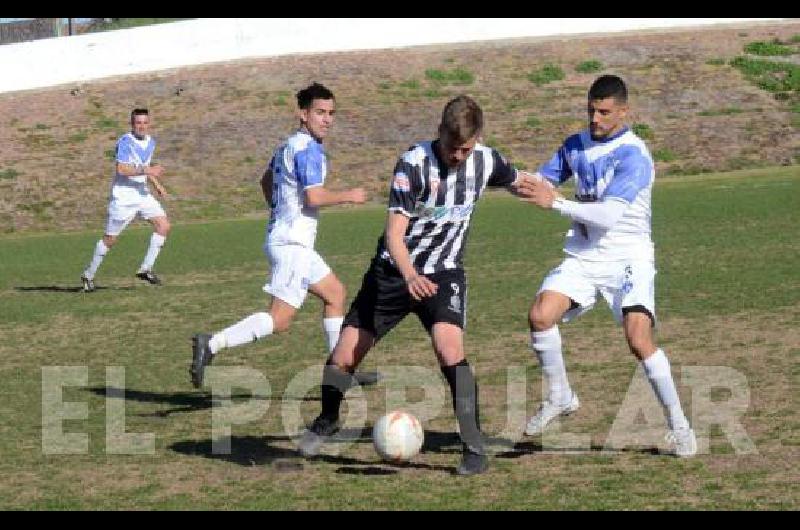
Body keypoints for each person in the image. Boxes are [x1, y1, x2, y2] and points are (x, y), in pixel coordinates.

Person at [297, 94, 533, 476]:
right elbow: (394, 234)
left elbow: (520, 180)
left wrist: (552, 197)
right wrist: (409, 276)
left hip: (443, 274)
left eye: (466, 149)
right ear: (438, 132)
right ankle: (327, 419)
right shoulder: (414, 165)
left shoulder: (486, 160)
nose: (458, 156)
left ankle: (474, 447)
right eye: (452, 148)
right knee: (343, 357)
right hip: (393, 274)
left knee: (450, 348)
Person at [515, 75, 697, 457]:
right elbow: (538, 182)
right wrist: (496, 171)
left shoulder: (634, 155)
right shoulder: (574, 146)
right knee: (540, 315)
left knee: (638, 340)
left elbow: (609, 216)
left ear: (624, 111)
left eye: (604, 112)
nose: (595, 119)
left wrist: (558, 204)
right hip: (584, 256)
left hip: (628, 258)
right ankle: (561, 396)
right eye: (590, 110)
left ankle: (679, 425)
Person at [190, 83, 379, 388]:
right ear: (303, 114)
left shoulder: (287, 146)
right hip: (292, 245)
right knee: (280, 319)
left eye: (331, 113)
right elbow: (314, 197)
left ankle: (339, 372)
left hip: (289, 240)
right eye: (320, 113)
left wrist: (281, 214)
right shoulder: (308, 150)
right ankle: (211, 343)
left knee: (335, 294)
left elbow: (266, 182)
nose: (327, 119)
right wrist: (349, 195)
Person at [80, 108, 170, 292]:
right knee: (110, 239)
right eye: (138, 123)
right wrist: (147, 171)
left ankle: (146, 269)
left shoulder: (151, 142)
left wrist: (156, 184)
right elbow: (122, 169)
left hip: (142, 193)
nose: (142, 126)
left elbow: (144, 166)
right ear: (132, 124)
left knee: (164, 225)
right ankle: (88, 275)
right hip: (123, 197)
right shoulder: (125, 142)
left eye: (145, 122)